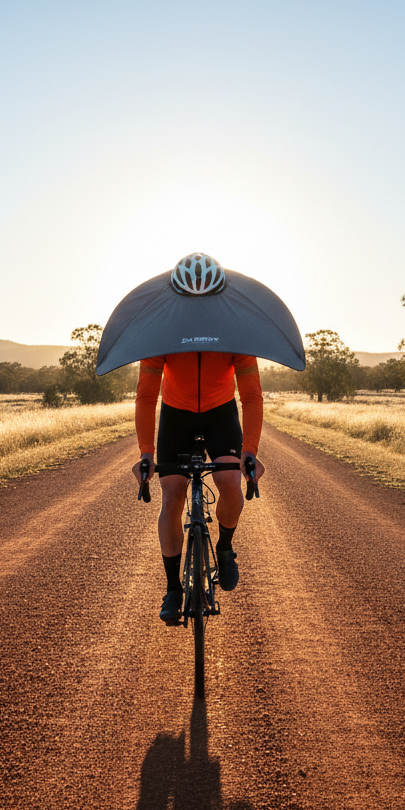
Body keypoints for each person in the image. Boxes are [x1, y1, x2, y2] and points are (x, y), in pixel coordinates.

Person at [132, 253, 265, 623]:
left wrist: (250, 452)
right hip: (176, 415)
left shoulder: (237, 333)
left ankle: (225, 546)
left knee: (231, 484)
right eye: (191, 301)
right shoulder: (159, 333)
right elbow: (146, 398)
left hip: (221, 414)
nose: (198, 309)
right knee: (172, 495)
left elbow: (251, 398)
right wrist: (146, 453)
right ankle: (173, 588)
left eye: (205, 301)